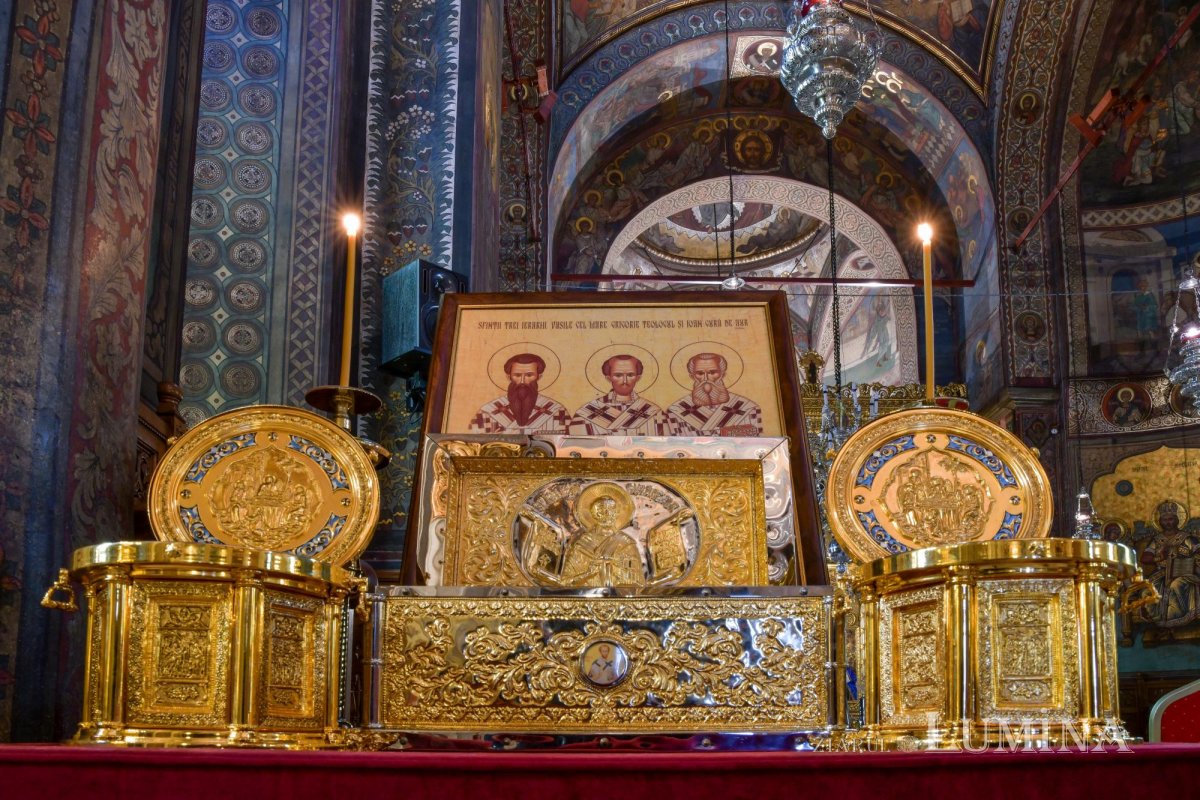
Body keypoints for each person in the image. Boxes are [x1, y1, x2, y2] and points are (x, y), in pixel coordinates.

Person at [559, 483, 643, 587]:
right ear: (594, 514)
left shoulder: (626, 543)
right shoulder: (583, 543)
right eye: (601, 510)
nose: (607, 513)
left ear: (617, 513)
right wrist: (588, 573)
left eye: (611, 509)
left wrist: (615, 568)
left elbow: (637, 583)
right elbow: (565, 582)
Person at [663, 352, 763, 436]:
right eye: (700, 373)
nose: (706, 378)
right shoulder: (677, 410)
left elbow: (754, 443)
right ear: (692, 376)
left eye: (713, 372)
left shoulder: (747, 407)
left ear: (722, 374)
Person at [469, 353, 570, 434]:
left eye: (529, 375)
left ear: (539, 377)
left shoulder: (557, 411)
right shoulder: (488, 411)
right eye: (517, 375)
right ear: (509, 377)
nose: (522, 381)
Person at [567, 354, 664, 435]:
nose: (625, 381)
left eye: (630, 375)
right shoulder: (587, 412)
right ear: (609, 378)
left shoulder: (653, 411)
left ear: (638, 378)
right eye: (618, 375)